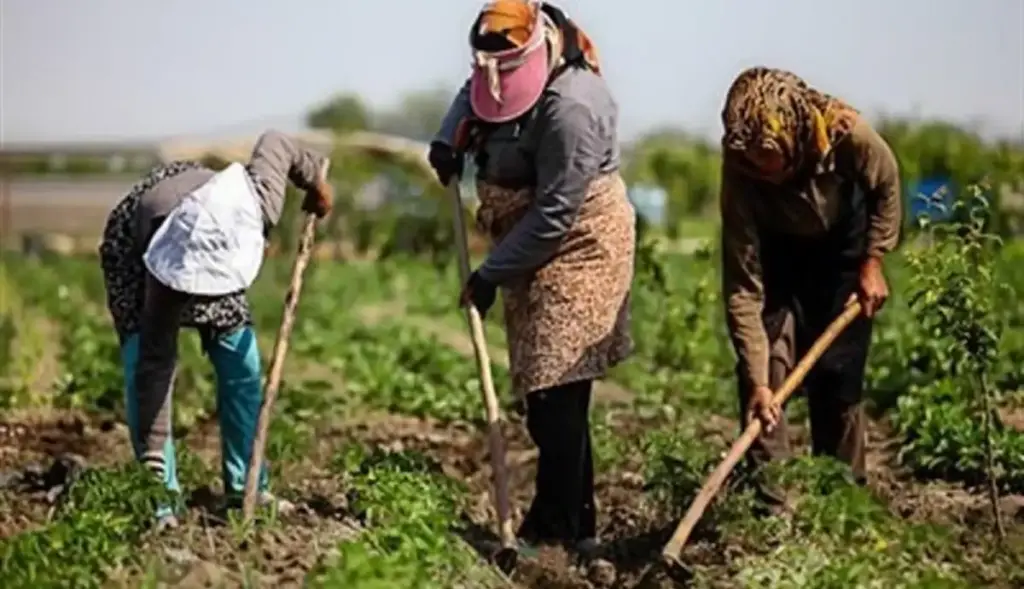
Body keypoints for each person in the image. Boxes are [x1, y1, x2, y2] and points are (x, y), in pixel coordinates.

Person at [427, 0, 634, 557]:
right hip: (529, 239)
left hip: (579, 241)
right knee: (549, 395)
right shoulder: (497, 67)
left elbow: (555, 213)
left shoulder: (573, 107)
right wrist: (450, 139)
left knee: (557, 387)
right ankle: (579, 526)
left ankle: (553, 527)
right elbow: (475, 93)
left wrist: (490, 275)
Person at [98, 130, 333, 528]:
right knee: (145, 358)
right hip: (142, 244)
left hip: (216, 225)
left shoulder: (258, 202)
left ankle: (248, 486)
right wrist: (155, 464)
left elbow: (276, 142)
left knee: (241, 363)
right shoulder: (163, 275)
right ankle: (158, 499)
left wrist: (316, 182)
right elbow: (154, 368)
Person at [718, 67, 902, 505]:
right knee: (765, 369)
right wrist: (760, 382)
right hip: (779, 254)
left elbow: (887, 184)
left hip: (842, 252)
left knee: (838, 374)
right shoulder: (741, 171)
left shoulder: (847, 134)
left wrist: (873, 261)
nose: (761, 176)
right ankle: (768, 503)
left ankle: (842, 501)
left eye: (769, 166)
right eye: (750, 167)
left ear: (794, 139)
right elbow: (744, 285)